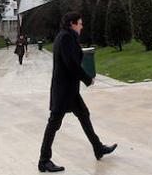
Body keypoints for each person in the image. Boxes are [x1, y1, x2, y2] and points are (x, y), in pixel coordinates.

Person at [38, 12, 117, 173]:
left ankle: (98, 148)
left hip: (69, 91)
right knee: (54, 123)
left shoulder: (66, 36)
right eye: (80, 23)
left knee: (84, 115)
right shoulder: (66, 38)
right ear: (72, 23)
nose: (82, 26)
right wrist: (88, 79)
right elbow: (71, 64)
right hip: (64, 91)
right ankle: (44, 161)